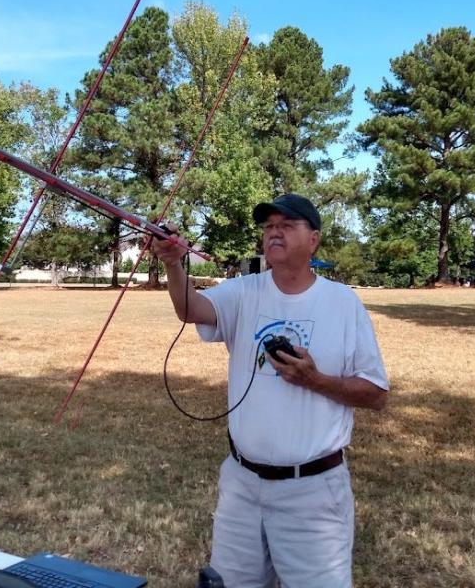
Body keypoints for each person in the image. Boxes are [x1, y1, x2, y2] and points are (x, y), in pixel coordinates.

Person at [152, 194, 389, 588]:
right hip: (242, 484)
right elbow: (190, 310)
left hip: (312, 492)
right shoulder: (243, 291)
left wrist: (317, 380)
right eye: (268, 226)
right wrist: (174, 262)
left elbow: (376, 394)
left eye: (287, 225)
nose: (275, 232)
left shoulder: (342, 304)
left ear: (313, 240)